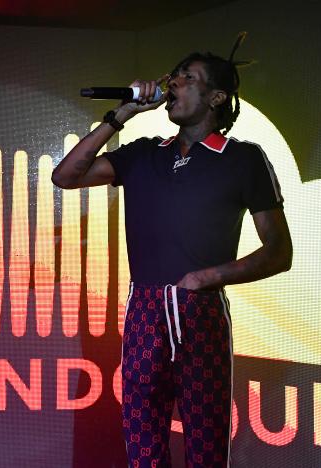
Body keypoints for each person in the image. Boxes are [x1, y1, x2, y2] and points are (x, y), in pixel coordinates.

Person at [52, 34, 292, 467]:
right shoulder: (145, 153)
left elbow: (278, 252)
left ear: (216, 96)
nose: (175, 84)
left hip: (198, 307)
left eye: (188, 77)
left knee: (205, 436)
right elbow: (66, 176)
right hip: (145, 306)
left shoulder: (243, 159)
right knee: (143, 434)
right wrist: (121, 114)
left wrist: (208, 277)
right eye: (175, 76)